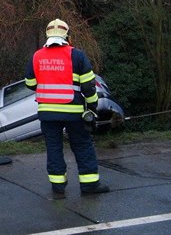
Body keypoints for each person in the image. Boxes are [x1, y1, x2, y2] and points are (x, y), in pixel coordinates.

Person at [24, 19, 109, 195]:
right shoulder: (77, 55)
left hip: (47, 113)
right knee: (82, 146)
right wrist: (92, 107)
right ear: (68, 36)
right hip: (74, 112)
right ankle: (89, 185)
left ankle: (58, 187)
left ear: (47, 36)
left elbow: (30, 83)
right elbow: (88, 86)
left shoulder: (37, 56)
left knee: (54, 148)